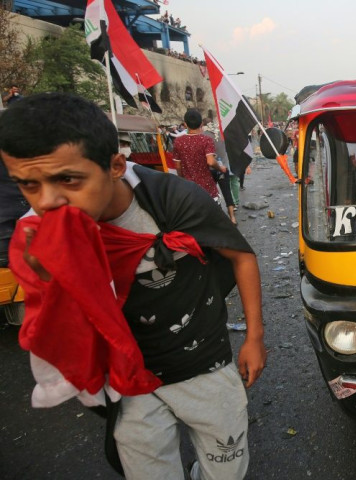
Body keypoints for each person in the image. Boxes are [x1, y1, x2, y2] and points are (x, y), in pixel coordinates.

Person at [0, 93, 265, 479]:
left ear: (115, 166)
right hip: (129, 380)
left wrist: (254, 336)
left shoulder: (172, 201)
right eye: (28, 185)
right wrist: (46, 274)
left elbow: (241, 256)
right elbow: (60, 320)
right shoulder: (37, 235)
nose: (48, 202)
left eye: (68, 180)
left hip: (202, 363)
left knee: (226, 468)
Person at [173, 109, 237, 225]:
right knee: (214, 219)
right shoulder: (206, 140)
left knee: (196, 221)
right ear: (201, 124)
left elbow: (178, 166)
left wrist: (183, 178)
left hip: (190, 188)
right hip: (207, 187)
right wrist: (220, 168)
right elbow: (211, 161)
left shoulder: (178, 141)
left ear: (185, 124)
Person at [202, 117, 239, 221]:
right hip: (223, 168)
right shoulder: (222, 134)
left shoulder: (203, 136)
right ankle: (232, 217)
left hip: (210, 168)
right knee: (227, 192)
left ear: (203, 125)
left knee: (211, 193)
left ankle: (215, 217)